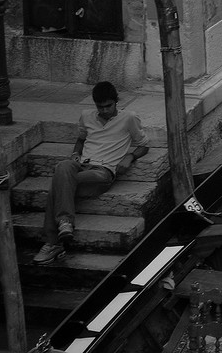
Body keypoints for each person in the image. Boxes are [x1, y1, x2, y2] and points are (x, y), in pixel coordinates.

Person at [33, 81, 149, 264]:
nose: (104, 111)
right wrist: (75, 154)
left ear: (116, 102)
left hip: (102, 172)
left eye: (108, 106)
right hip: (82, 166)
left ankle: (53, 241)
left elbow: (143, 145)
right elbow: (80, 140)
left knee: (58, 186)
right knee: (63, 166)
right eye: (99, 107)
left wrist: (130, 157)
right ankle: (64, 224)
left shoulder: (129, 118)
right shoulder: (86, 116)